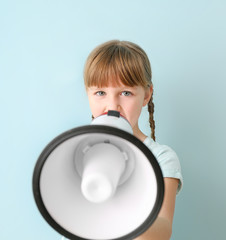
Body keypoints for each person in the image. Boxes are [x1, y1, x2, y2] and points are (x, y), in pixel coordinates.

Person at [82, 40, 183, 240]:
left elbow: (162, 232)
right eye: (100, 93)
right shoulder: (74, 151)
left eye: (125, 93)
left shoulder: (161, 158)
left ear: (146, 95)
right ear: (88, 94)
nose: (113, 106)